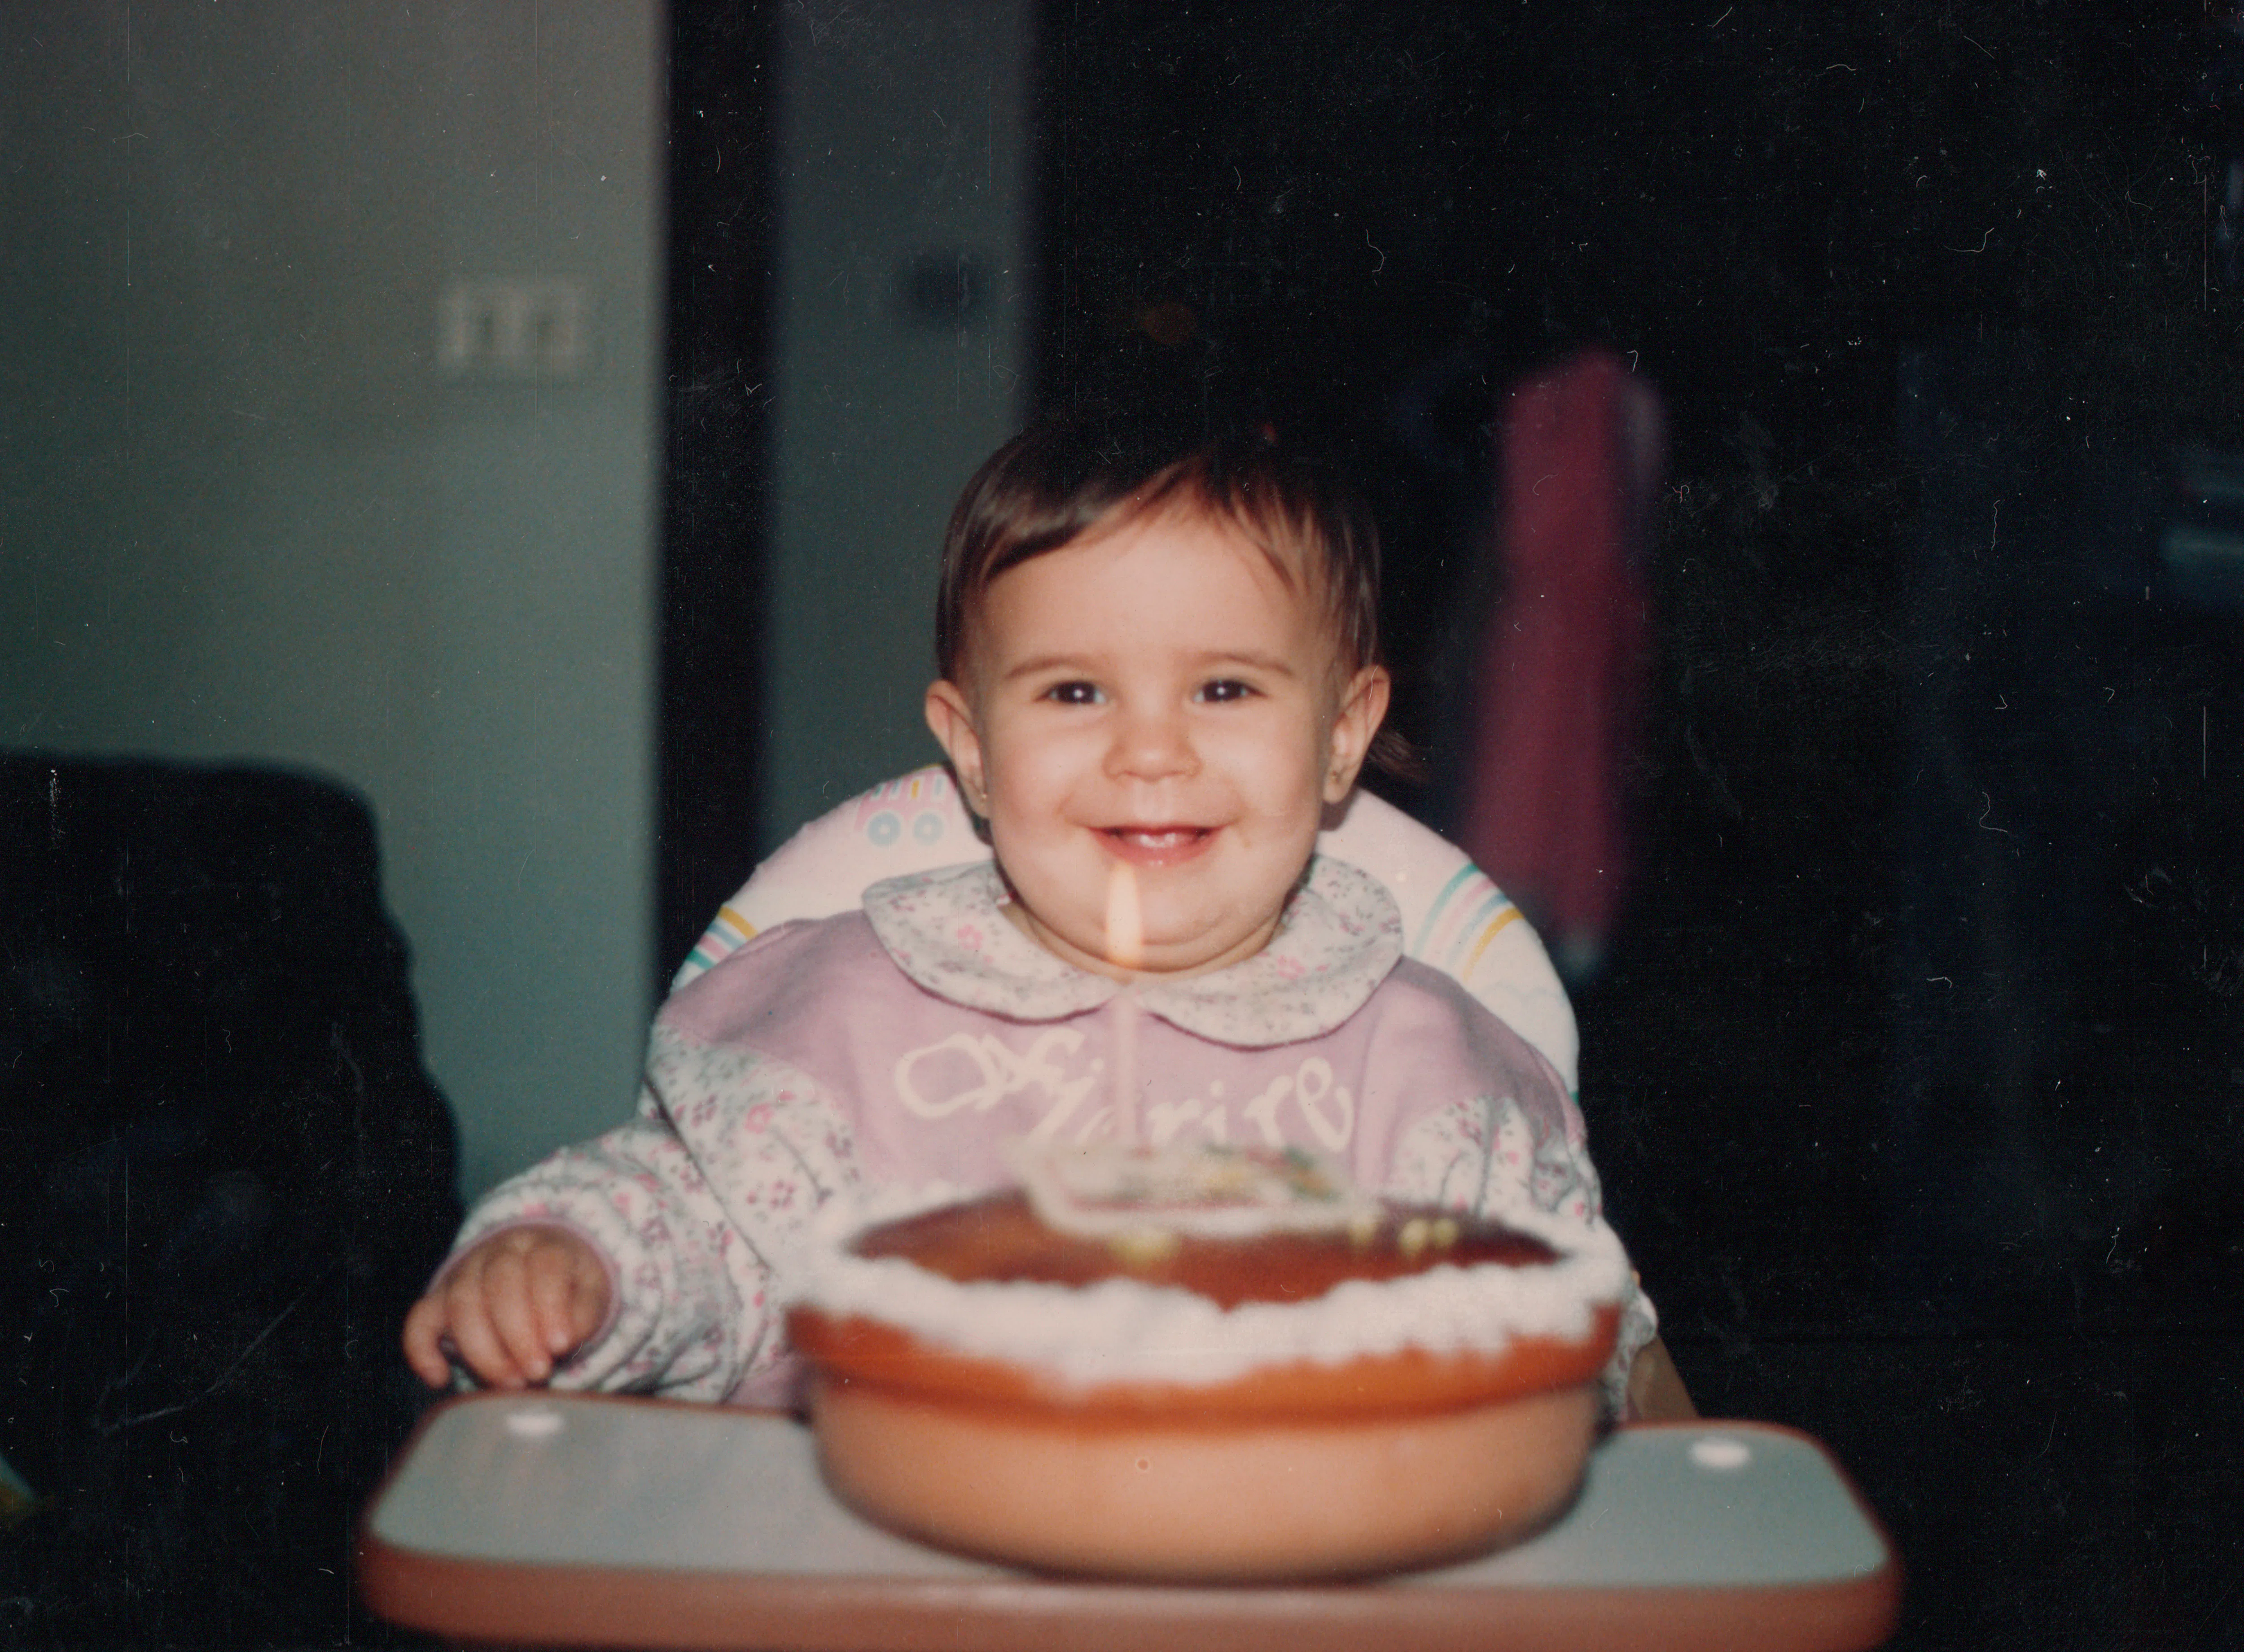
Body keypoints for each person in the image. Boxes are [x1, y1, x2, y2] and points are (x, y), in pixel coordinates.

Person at [403, 409, 1693, 1420]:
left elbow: (1566, 1330)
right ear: (969, 749)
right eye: (1075, 693)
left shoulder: (1430, 1069)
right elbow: (698, 1232)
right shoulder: (843, 1023)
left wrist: (1598, 1381)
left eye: (1226, 690)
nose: (1149, 754)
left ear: (1343, 735)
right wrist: (570, 1265)